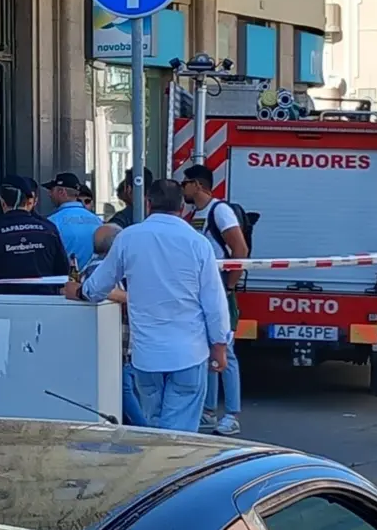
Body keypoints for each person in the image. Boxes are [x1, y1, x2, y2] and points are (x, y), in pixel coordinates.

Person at [65, 180, 230, 432]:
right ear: (181, 207)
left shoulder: (128, 238)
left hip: (147, 355)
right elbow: (214, 301)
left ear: (149, 204)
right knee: (181, 430)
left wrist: (77, 291)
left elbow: (97, 287)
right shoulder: (198, 243)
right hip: (189, 352)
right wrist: (219, 345)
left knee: (154, 426)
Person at [182, 164, 249, 437]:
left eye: (185, 183)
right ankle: (209, 413)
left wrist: (229, 287)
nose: (182, 188)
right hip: (202, 288)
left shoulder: (219, 211)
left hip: (219, 288)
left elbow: (240, 249)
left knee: (226, 352)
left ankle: (231, 414)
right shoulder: (195, 213)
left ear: (197, 185)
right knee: (210, 350)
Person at [80, 224, 147, 426]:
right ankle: (144, 428)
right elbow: (101, 290)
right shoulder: (100, 268)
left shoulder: (99, 266)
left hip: (120, 339)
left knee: (128, 384)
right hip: (120, 339)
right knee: (126, 386)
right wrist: (136, 298)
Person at [0, 175, 71, 295]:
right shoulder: (48, 229)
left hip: (5, 306)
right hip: (44, 304)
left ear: (2, 201)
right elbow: (63, 275)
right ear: (30, 202)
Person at [43, 171, 102, 266]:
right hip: (92, 277)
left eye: (51, 190)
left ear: (61, 192)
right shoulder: (97, 221)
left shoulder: (52, 222)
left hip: (65, 279)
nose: (49, 194)